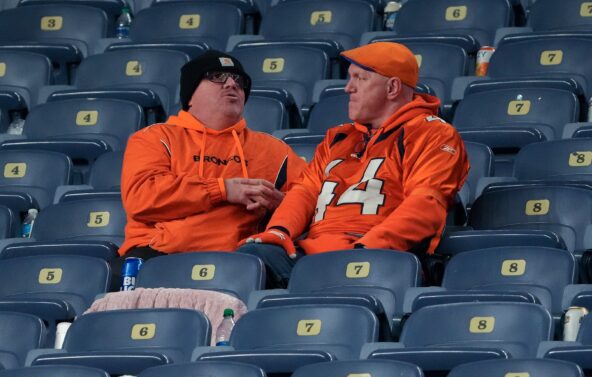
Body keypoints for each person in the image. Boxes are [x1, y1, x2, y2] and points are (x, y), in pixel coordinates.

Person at [238, 42, 470, 288]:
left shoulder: (432, 132)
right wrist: (279, 231)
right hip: (313, 254)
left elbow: (426, 203)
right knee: (252, 259)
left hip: (379, 257)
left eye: (360, 79)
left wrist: (366, 248)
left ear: (392, 87)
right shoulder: (338, 137)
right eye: (350, 78)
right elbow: (305, 191)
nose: (348, 88)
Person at [117, 50, 306, 281]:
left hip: (237, 263)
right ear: (190, 96)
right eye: (217, 76)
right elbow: (141, 197)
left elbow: (310, 204)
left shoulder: (275, 151)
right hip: (160, 255)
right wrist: (223, 190)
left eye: (239, 80)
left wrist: (281, 205)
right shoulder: (154, 137)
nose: (231, 84)